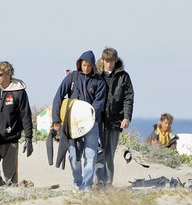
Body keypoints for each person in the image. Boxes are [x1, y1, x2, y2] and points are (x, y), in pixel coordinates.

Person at [52, 50, 106, 191]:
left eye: (89, 65)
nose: (86, 68)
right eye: (84, 64)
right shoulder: (72, 77)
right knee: (74, 157)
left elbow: (99, 103)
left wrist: (87, 116)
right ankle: (77, 182)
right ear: (79, 64)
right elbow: (58, 97)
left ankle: (86, 187)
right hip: (72, 124)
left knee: (90, 155)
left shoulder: (99, 81)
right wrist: (56, 120)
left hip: (91, 123)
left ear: (93, 66)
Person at [94, 47, 134, 187]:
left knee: (109, 153)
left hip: (115, 120)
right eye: (106, 61)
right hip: (97, 120)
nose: (109, 64)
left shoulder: (124, 76)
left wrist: (126, 117)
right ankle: (98, 182)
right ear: (102, 60)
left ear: (115, 61)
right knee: (98, 151)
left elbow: (129, 98)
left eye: (111, 61)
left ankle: (108, 182)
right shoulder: (96, 74)